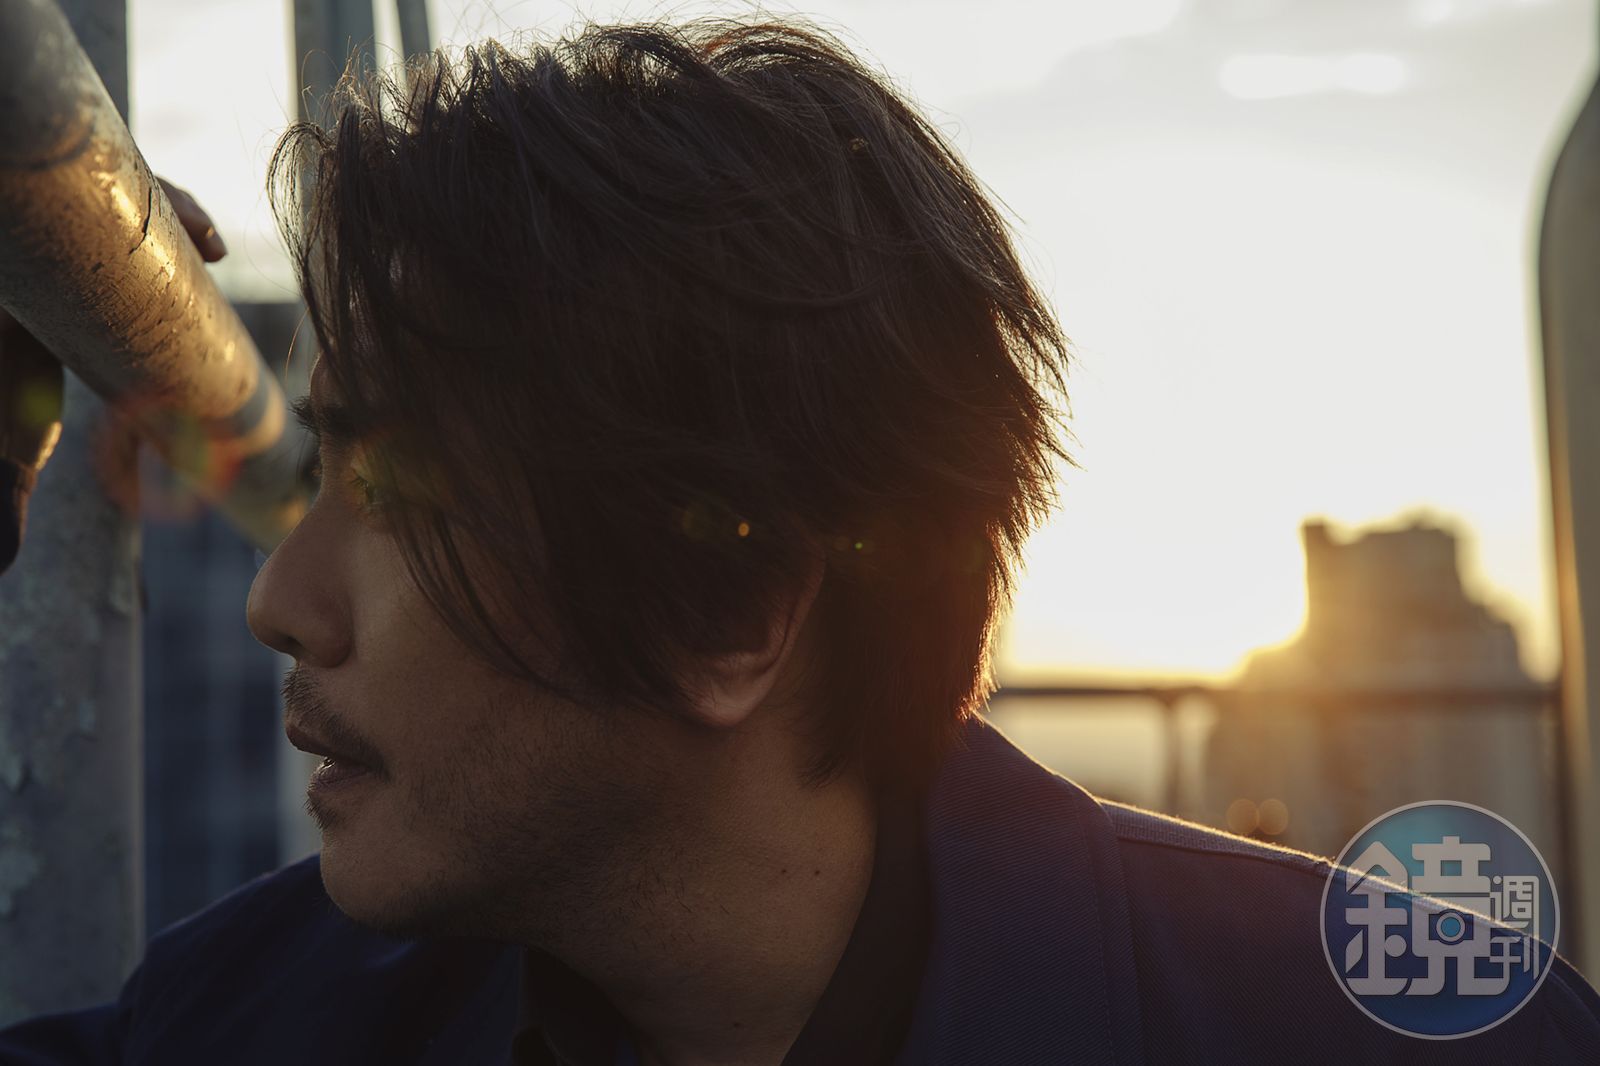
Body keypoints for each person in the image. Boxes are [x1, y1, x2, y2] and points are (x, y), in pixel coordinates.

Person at [2, 16, 1599, 1066]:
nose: (283, 598)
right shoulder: (244, 1020)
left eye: (402, 492)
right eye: (325, 470)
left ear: (731, 606)